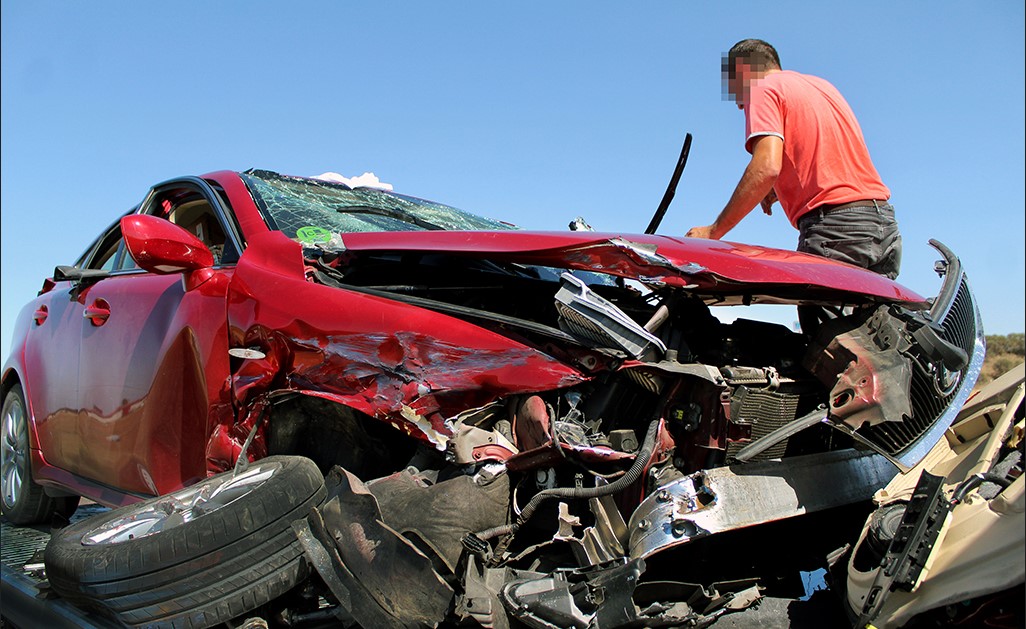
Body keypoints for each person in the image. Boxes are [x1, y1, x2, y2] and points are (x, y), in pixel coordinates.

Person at [686, 39, 901, 281]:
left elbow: (766, 167)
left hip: (836, 230)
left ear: (744, 71)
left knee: (823, 317)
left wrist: (714, 231)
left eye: (735, 89)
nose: (738, 104)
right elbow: (828, 151)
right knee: (872, 318)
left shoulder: (761, 87)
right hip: (880, 222)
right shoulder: (823, 87)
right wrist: (779, 189)